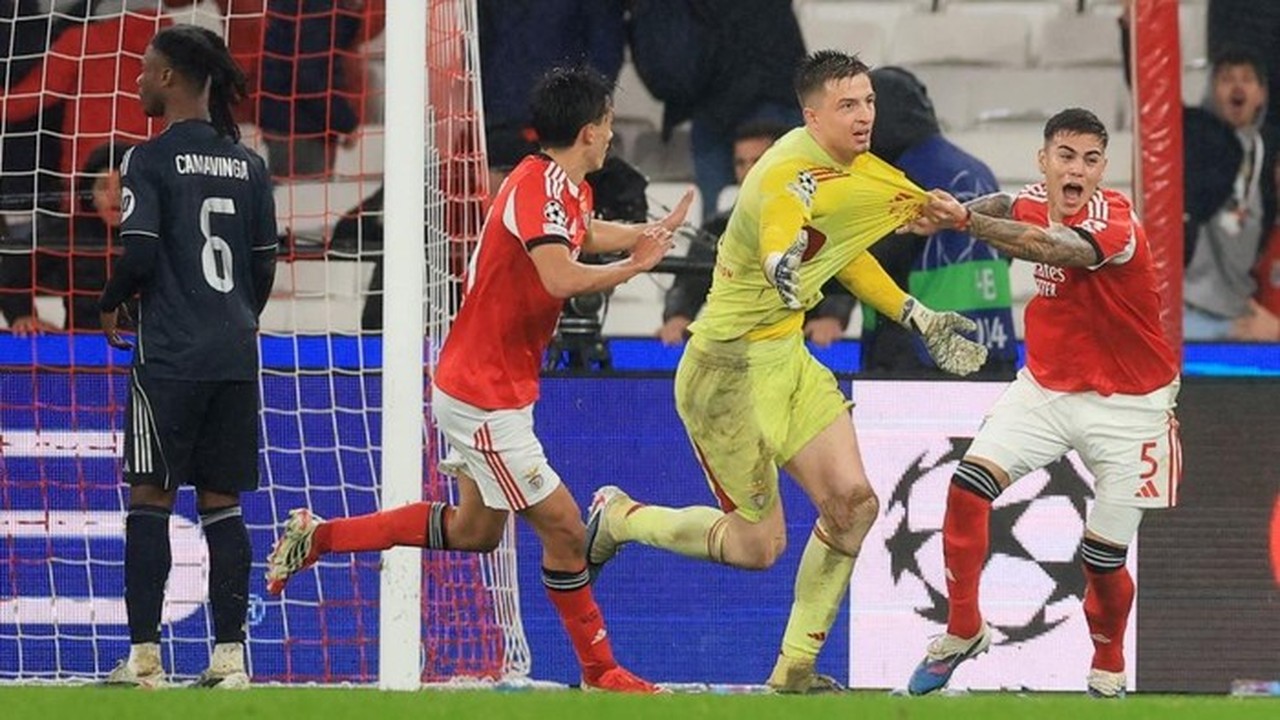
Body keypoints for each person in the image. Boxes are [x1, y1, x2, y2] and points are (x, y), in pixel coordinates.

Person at [263, 66, 686, 693]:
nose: (610, 138)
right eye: (607, 126)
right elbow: (559, 277)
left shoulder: (565, 189)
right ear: (592, 131)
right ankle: (600, 671)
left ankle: (319, 536)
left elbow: (583, 234)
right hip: (483, 395)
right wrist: (632, 265)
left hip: (485, 385)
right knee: (567, 529)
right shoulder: (536, 189)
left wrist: (644, 235)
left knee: (475, 532)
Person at [585, 50, 987, 694]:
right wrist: (779, 264)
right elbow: (782, 234)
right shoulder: (782, 171)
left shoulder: (859, 172)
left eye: (869, 103)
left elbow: (844, 254)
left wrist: (916, 314)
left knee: (853, 506)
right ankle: (620, 518)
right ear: (813, 114)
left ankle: (792, 672)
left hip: (787, 359)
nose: (863, 117)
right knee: (758, 547)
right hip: (726, 371)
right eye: (847, 105)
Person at [900, 108, 1181, 699]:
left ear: (1103, 168)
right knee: (967, 485)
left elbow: (1047, 245)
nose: (1077, 170)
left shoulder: (1116, 222)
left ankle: (1108, 670)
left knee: (1102, 558)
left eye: (1090, 159)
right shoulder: (1036, 194)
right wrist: (965, 214)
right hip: (1047, 388)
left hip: (1132, 404)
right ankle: (963, 629)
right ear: (1045, 160)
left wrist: (964, 223)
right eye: (1066, 156)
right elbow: (1014, 205)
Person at [98, 24, 278, 689]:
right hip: (233, 354)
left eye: (146, 70)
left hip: (170, 355)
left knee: (150, 499)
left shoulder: (147, 159)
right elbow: (263, 267)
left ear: (171, 77)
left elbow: (139, 254)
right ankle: (230, 661)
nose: (139, 80)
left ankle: (145, 659)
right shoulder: (250, 164)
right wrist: (231, 320)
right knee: (223, 505)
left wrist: (110, 299)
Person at [862, 66, 1017, 377]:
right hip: (994, 344)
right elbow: (1007, 248)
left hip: (921, 356)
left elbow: (876, 262)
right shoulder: (978, 169)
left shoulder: (898, 179)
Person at [658, 120, 855, 348]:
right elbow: (688, 285)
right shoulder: (718, 227)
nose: (747, 171)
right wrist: (678, 316)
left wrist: (831, 318)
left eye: (757, 161)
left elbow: (842, 277)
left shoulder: (820, 223)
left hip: (802, 345)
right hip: (737, 348)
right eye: (740, 163)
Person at [0, 141, 132, 333]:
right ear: (90, 195)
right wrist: (23, 316)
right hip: (79, 349)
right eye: (104, 186)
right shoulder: (70, 232)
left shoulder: (160, 233)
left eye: (123, 185)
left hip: (149, 345)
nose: (114, 195)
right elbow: (12, 274)